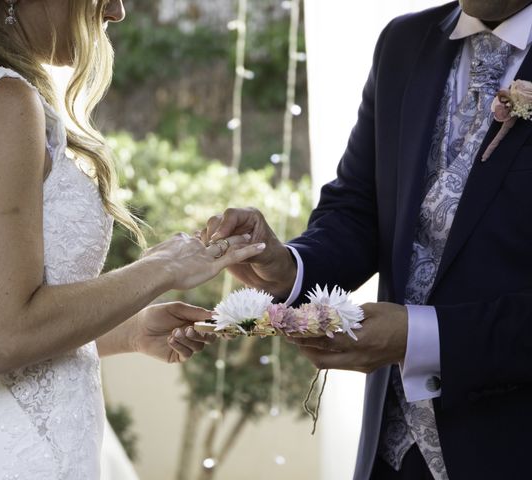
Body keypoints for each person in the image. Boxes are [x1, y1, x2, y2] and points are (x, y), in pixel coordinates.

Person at [0, 0, 267, 478]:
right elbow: (4, 338)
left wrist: (129, 329)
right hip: (7, 455)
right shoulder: (2, 100)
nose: (116, 12)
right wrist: (162, 267)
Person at [202, 0, 532, 478]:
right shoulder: (404, 43)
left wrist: (422, 338)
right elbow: (359, 206)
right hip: (392, 456)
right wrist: (290, 265)